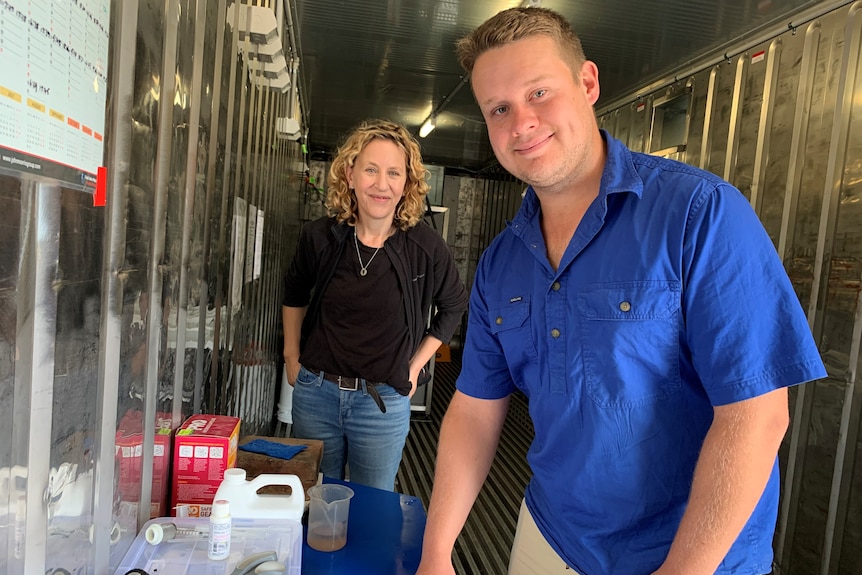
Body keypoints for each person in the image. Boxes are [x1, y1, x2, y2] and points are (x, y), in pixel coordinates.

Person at [417, 7, 825, 575]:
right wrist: (436, 553)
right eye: (499, 109)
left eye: (539, 92)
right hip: (549, 536)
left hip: (692, 557)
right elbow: (476, 410)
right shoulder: (500, 263)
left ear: (587, 83)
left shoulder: (699, 214)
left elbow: (756, 416)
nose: (521, 123)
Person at [281, 119, 468, 491]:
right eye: (370, 170)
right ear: (350, 175)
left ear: (406, 185)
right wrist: (291, 356)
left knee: (374, 503)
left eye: (394, 173)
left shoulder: (425, 247)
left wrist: (415, 367)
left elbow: (454, 305)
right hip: (316, 393)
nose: (381, 184)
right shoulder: (320, 236)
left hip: (382, 403)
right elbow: (295, 292)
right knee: (316, 499)